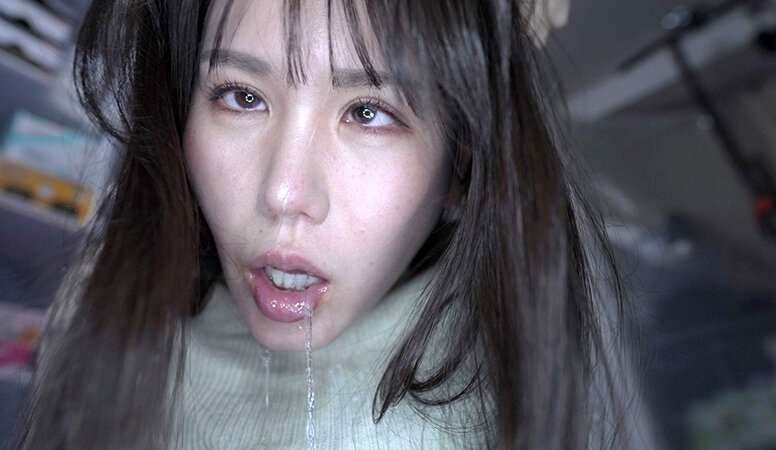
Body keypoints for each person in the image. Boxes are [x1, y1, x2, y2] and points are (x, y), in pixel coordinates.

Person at [14, 0, 634, 448]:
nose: (284, 194)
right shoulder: (101, 300)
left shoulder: (461, 420)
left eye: (368, 112)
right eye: (242, 96)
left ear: (460, 165)